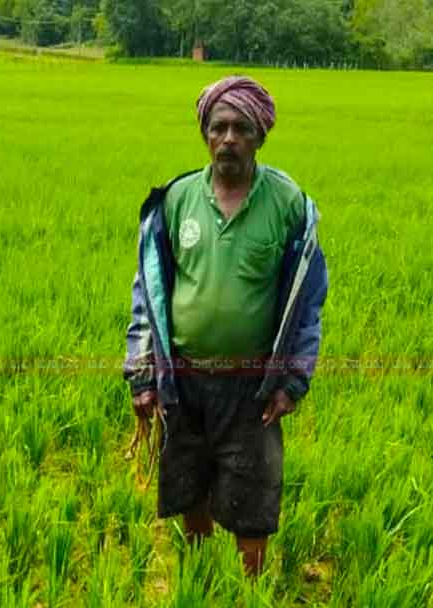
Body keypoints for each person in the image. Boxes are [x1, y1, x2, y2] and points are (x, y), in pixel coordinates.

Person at [123, 75, 329, 576]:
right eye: (219, 128)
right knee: (188, 479)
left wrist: (292, 380)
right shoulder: (176, 200)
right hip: (185, 376)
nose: (229, 139)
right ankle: (199, 578)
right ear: (205, 135)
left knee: (252, 491)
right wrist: (143, 373)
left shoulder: (288, 204)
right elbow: (148, 293)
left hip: (252, 384)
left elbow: (308, 302)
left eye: (241, 128)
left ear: (260, 136)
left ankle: (250, 592)